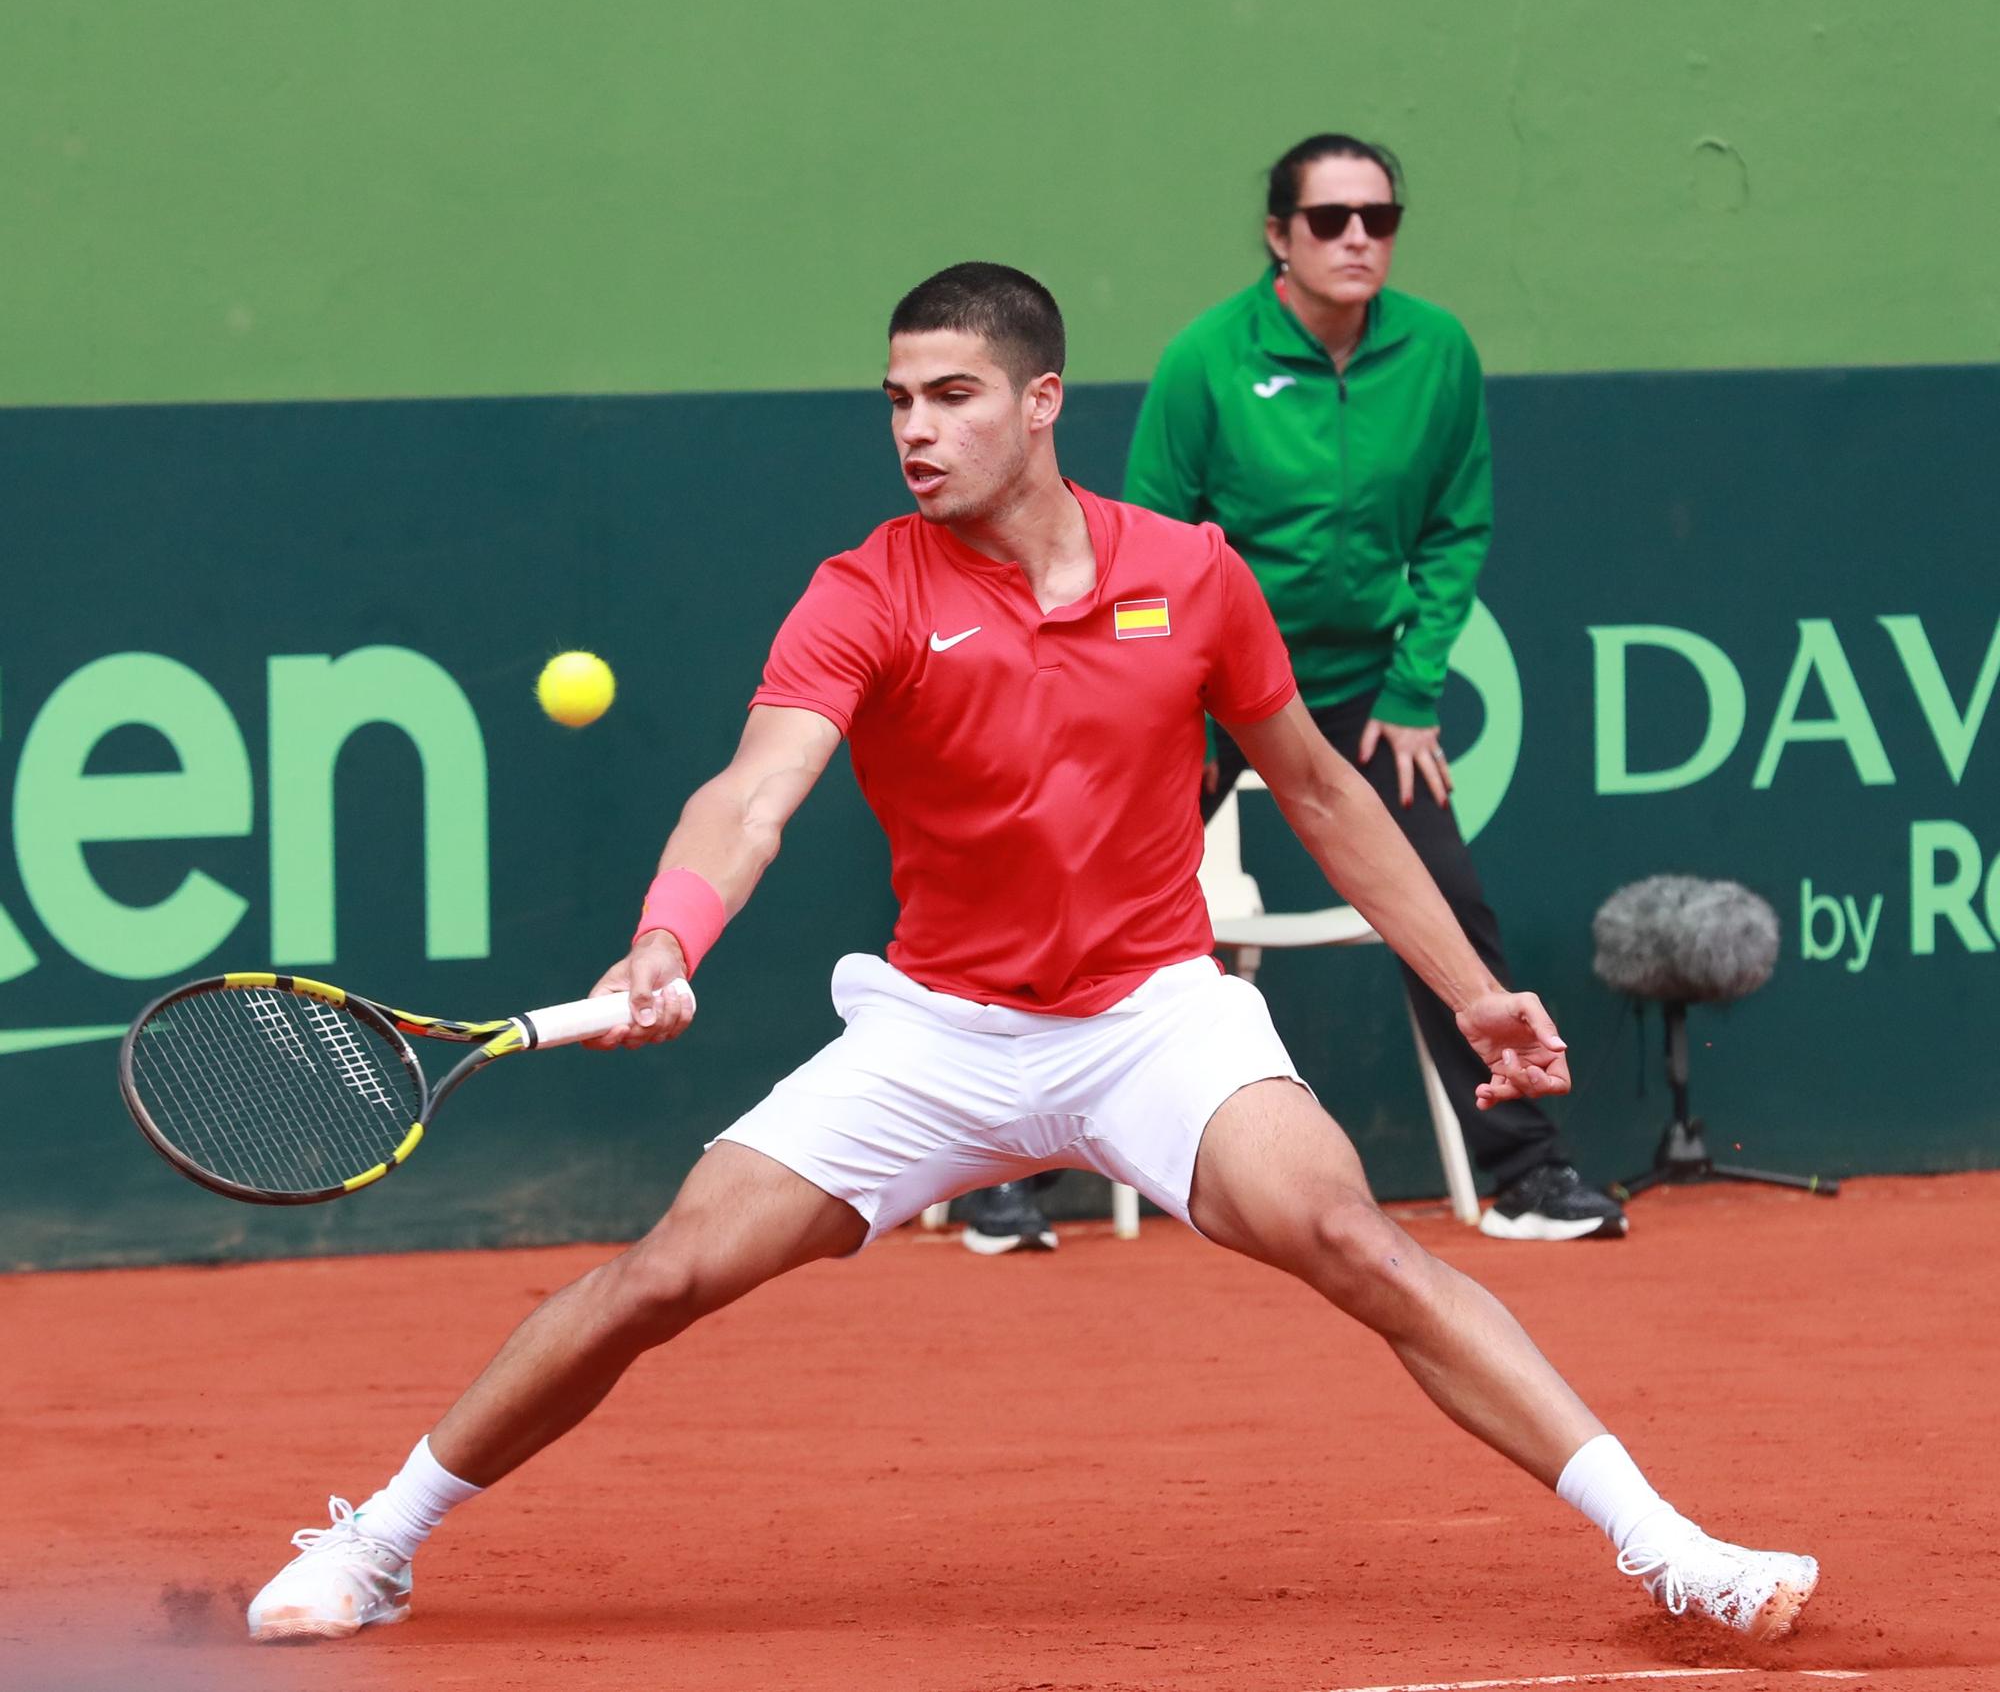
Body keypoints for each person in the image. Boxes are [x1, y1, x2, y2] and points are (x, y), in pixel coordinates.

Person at [245, 263, 1815, 1645]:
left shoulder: (1191, 575)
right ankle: (378, 1539)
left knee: (1358, 1238)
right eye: (895, 400)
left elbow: (1326, 791)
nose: (913, 429)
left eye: (951, 395)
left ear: (1042, 400)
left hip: (1153, 1016)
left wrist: (1474, 990)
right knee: (663, 1274)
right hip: (937, 1032)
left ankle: (1673, 1547)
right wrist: (669, 934)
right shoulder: (864, 592)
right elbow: (753, 792)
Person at [1125, 133, 1627, 1242]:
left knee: (1446, 904)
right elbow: (1149, 541)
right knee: (1089, 898)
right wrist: (1176, 697)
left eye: (1378, 219)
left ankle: (1525, 1173)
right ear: (1277, 237)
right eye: (1328, 220)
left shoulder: (1437, 351)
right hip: (1205, 691)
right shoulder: (1203, 359)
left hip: (1358, 692)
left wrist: (1411, 689)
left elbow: (1454, 528)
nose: (1357, 238)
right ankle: (1001, 1178)